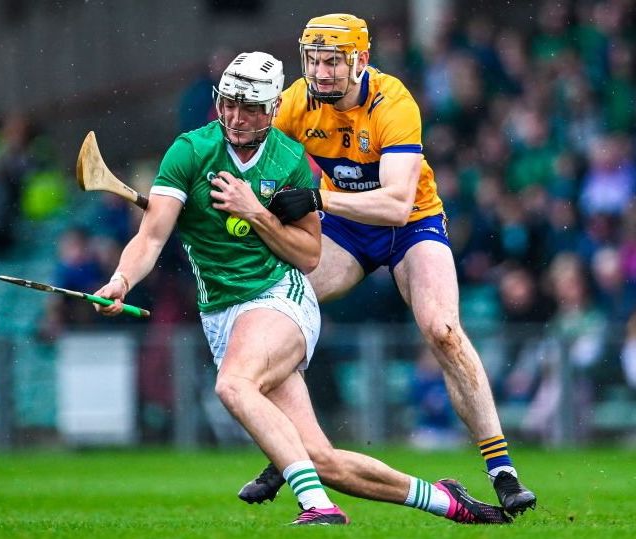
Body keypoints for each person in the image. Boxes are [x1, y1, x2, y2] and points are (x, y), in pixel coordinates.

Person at [94, 51, 510, 526]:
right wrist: (122, 279)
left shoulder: (290, 160)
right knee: (321, 459)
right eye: (228, 103)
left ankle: (318, 507)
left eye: (250, 107)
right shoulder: (189, 151)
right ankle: (449, 501)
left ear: (272, 109)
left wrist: (254, 212)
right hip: (223, 312)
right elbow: (150, 236)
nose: (235, 116)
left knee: (233, 384)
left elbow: (309, 255)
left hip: (277, 296)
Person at [239, 14, 537, 516]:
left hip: (411, 224)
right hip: (347, 229)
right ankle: (291, 447)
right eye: (314, 59)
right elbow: (243, 152)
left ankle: (501, 470)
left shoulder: (393, 102)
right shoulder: (296, 100)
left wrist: (315, 198)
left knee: (442, 329)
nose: (322, 71)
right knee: (280, 309)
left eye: (333, 60)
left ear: (360, 60)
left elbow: (397, 203)